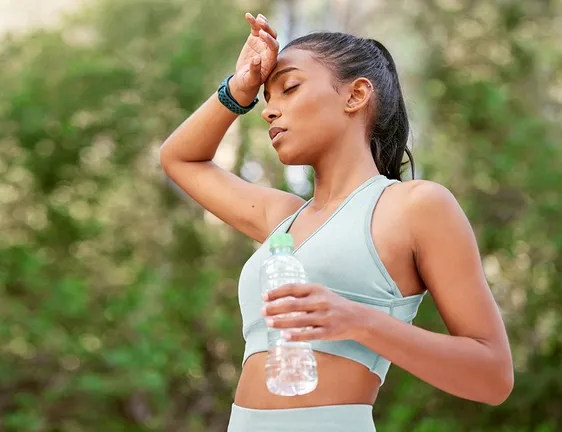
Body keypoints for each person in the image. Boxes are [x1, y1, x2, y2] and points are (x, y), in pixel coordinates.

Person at [160, 11, 513, 432]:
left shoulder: (415, 206)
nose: (269, 111)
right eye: (267, 98)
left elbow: (493, 376)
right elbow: (179, 159)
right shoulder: (282, 219)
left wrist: (357, 320)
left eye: (289, 88)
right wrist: (240, 88)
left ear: (356, 95)